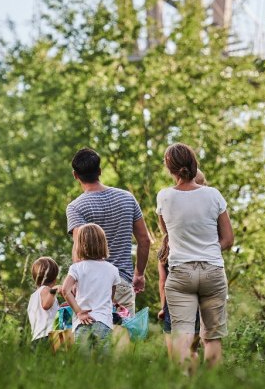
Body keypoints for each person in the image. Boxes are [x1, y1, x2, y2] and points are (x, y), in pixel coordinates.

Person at [156, 144, 234, 369]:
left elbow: (167, 234)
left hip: (180, 273)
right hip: (212, 271)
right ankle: (212, 385)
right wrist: (208, 249)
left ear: (169, 168)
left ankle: (185, 385)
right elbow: (228, 239)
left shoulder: (164, 197)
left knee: (182, 337)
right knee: (212, 337)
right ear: (194, 163)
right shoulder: (213, 194)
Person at [66, 148, 151, 314]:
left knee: (93, 330)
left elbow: (79, 249)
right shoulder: (127, 198)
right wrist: (139, 274)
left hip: (92, 287)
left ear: (75, 175)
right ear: (99, 171)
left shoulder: (76, 207)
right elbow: (144, 240)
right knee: (124, 330)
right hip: (122, 282)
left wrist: (75, 282)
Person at [61, 223, 118, 350]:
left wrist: (79, 312)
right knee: (104, 361)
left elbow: (65, 290)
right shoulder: (113, 270)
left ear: (80, 245)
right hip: (104, 322)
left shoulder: (76, 268)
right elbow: (110, 298)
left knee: (82, 362)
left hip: (82, 322)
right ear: (103, 243)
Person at [27, 256, 62, 346]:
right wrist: (54, 290)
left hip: (36, 338)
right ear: (55, 278)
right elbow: (46, 305)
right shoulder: (46, 290)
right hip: (49, 336)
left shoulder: (33, 296)